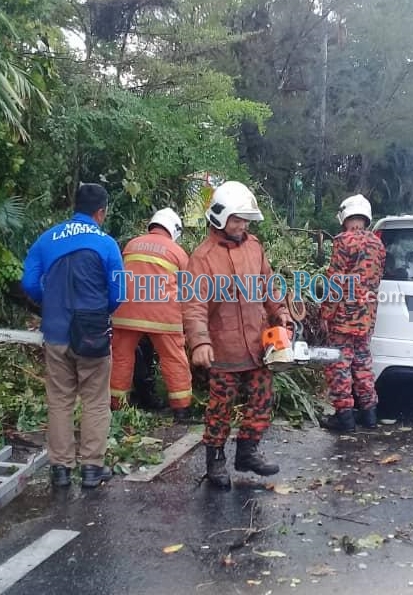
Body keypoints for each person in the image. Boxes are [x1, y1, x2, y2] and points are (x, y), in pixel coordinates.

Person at [183, 181, 290, 490]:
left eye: (245, 220)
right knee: (220, 408)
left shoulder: (254, 247)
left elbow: (268, 285)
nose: (241, 225)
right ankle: (215, 461)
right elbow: (193, 304)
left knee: (262, 399)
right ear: (219, 217)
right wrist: (200, 341)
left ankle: (247, 452)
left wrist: (280, 311)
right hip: (223, 348)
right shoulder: (202, 258)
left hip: (258, 345)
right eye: (236, 219)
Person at [21, 183, 126, 489]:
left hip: (55, 333)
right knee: (95, 400)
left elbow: (29, 284)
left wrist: (49, 301)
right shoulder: (106, 244)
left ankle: (61, 470)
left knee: (60, 400)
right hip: (92, 334)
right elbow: (118, 292)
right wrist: (98, 313)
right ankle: (92, 469)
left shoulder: (46, 238)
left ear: (74, 205)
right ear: (101, 212)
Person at [109, 207, 195, 422]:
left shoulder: (131, 244)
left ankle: (116, 406)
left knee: (121, 357)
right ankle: (181, 409)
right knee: (173, 357)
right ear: (174, 229)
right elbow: (189, 287)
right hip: (163, 316)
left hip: (126, 313)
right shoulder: (177, 251)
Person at [318, 194, 386, 432]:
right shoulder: (378, 244)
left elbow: (335, 282)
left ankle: (344, 417)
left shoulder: (343, 241)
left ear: (345, 217)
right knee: (363, 364)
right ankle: (369, 415)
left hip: (343, 319)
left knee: (339, 365)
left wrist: (325, 313)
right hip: (366, 318)